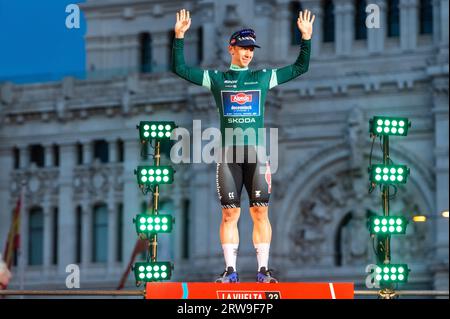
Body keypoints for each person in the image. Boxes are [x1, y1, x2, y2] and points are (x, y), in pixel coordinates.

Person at [172, 8, 314, 283]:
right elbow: (180, 69)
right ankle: (229, 270)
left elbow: (300, 68)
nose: (249, 53)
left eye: (252, 49)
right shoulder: (217, 79)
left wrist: (306, 39)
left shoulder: (261, 78)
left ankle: (263, 270)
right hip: (228, 157)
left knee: (260, 211)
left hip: (258, 156)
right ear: (232, 48)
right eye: (244, 47)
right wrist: (179, 37)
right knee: (229, 213)